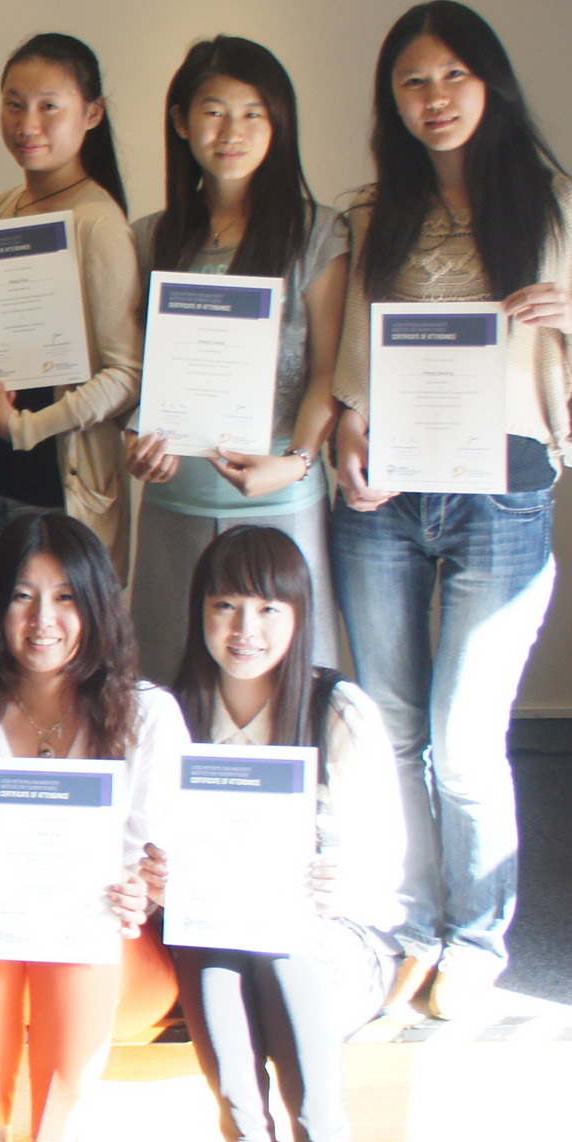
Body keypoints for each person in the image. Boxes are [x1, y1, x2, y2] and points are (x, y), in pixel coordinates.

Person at [328, 0, 572, 1022]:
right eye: (413, 81)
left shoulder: (554, 205)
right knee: (389, 728)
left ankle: (476, 936)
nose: (436, 97)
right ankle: (408, 925)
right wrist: (348, 429)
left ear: (490, 82)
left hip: (501, 496)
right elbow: (350, 360)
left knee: (462, 742)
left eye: (454, 75)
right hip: (386, 500)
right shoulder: (371, 213)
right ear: (392, 101)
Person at [0, 511, 181, 1142]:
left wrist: (144, 889)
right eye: (22, 596)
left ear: (97, 604)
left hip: (117, 961)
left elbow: (170, 856)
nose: (43, 620)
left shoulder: (147, 713)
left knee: (82, 934)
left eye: (66, 597)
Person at [153, 527, 402, 1142]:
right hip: (217, 937)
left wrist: (341, 880)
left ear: (299, 616)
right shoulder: (172, 713)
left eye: (268, 609)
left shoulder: (337, 708)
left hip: (332, 944)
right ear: (199, 612)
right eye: (225, 606)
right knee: (213, 953)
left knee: (283, 951)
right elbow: (145, 840)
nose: (245, 629)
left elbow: (386, 871)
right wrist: (157, 873)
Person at [123, 39, 349, 677]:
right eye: (214, 111)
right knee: (167, 690)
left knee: (289, 692)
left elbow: (329, 370)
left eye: (254, 113)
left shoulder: (319, 233)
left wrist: (297, 463)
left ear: (279, 124)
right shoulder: (150, 238)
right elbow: (133, 373)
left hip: (283, 505)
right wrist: (136, 442)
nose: (232, 132)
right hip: (175, 505)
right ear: (180, 121)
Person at [0, 34, 143, 572]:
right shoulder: (2, 208)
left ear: (92, 114)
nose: (27, 124)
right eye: (14, 104)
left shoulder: (98, 223)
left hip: (60, 492)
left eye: (49, 107)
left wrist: (28, 428)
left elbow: (126, 375)